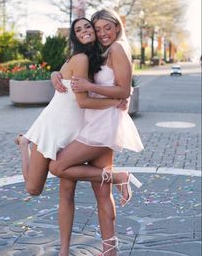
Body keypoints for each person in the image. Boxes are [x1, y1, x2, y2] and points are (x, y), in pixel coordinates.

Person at [15, 17, 128, 256]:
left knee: (73, 191)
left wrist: (58, 73)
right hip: (55, 128)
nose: (88, 31)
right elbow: (83, 98)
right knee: (35, 188)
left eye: (90, 27)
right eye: (80, 29)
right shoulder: (82, 58)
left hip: (78, 130)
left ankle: (75, 251)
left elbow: (103, 87)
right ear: (74, 36)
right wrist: (115, 101)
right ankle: (24, 143)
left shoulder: (99, 56)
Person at [50, 9, 144, 255]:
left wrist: (91, 86)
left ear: (117, 27)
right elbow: (69, 72)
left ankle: (120, 177)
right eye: (97, 28)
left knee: (58, 167)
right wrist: (54, 74)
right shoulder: (98, 53)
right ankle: (109, 250)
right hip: (90, 120)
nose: (102, 33)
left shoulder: (117, 49)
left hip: (103, 124)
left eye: (107, 28)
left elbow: (123, 90)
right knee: (101, 192)